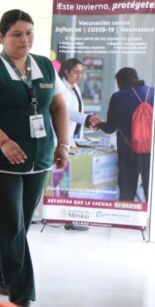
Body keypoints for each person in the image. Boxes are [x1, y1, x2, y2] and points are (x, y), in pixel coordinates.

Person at [0, 9, 71, 307]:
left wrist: (63, 143)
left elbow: (58, 106)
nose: (24, 39)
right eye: (16, 34)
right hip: (0, 161)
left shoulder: (44, 67)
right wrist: (3, 141)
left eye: (28, 32)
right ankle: (20, 290)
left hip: (38, 159)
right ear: (1, 37)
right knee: (10, 225)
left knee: (19, 225)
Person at [96, 67, 154, 203]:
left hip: (129, 152)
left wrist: (99, 123)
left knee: (127, 193)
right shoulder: (153, 93)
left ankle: (126, 221)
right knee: (150, 191)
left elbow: (110, 128)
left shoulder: (118, 97)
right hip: (151, 150)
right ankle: (147, 222)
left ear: (120, 83)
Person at [54, 58, 99, 231]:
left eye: (81, 72)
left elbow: (78, 113)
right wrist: (87, 119)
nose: (80, 76)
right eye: (76, 72)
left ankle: (68, 218)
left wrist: (89, 120)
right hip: (62, 141)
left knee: (68, 181)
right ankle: (65, 218)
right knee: (63, 181)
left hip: (73, 140)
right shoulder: (61, 89)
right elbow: (66, 112)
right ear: (66, 71)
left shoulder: (75, 88)